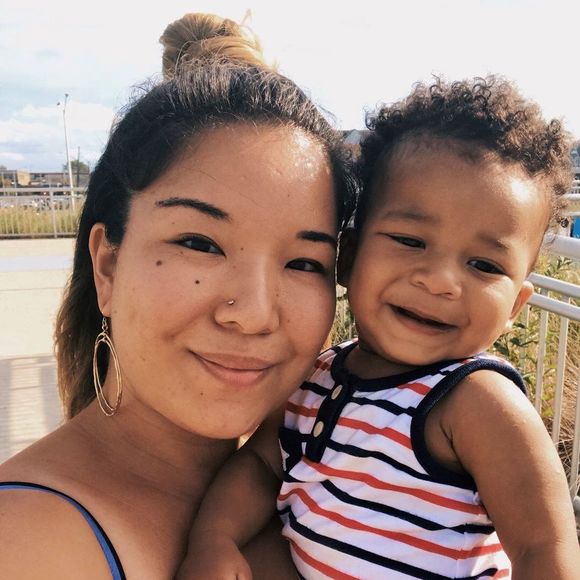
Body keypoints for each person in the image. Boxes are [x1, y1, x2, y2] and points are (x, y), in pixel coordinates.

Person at [0, 13, 356, 578]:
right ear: (108, 265)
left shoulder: (329, 495)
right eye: (200, 243)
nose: (255, 314)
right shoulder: (26, 544)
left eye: (304, 262)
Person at [179, 77, 580, 579]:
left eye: (484, 265)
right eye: (411, 241)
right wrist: (214, 540)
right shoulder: (318, 375)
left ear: (516, 304)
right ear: (347, 257)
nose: (440, 281)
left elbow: (544, 547)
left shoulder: (476, 401)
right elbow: (261, 468)